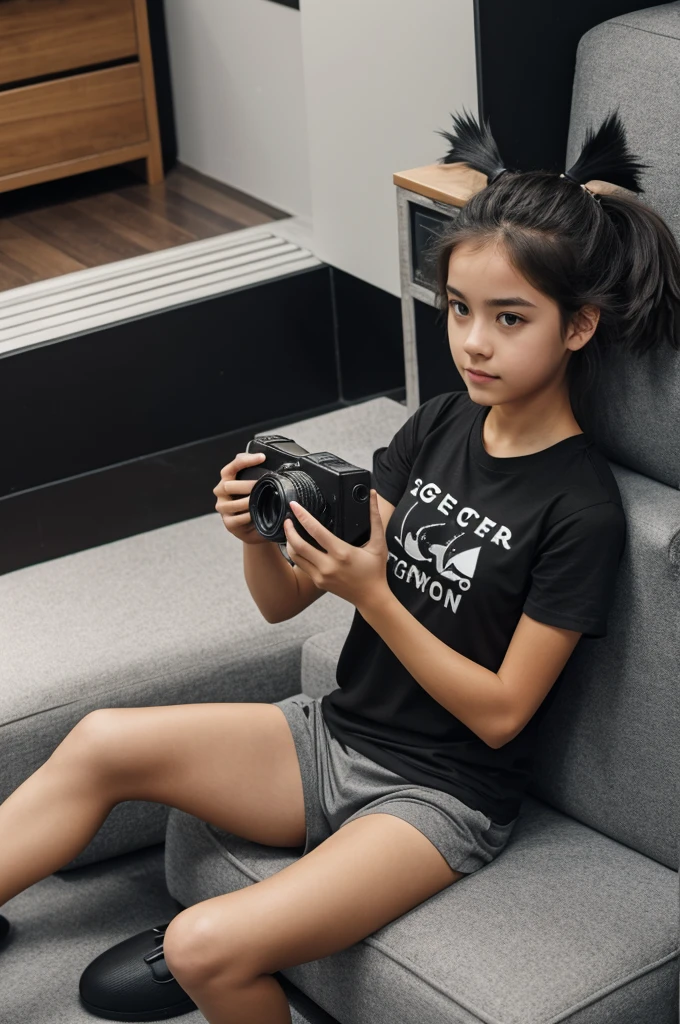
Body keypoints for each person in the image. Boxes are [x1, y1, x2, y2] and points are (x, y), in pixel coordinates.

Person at [1, 107, 679, 1024]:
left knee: (203, 944)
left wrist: (375, 592)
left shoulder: (581, 508)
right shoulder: (439, 425)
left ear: (578, 328)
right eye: (460, 310)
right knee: (98, 740)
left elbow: (501, 712)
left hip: (437, 798)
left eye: (510, 318)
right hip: (332, 735)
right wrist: (256, 536)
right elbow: (285, 605)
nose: (474, 342)